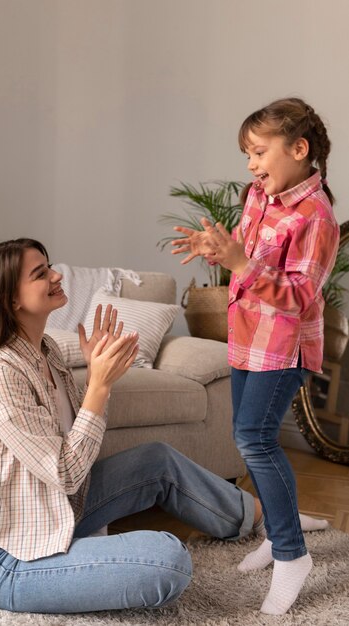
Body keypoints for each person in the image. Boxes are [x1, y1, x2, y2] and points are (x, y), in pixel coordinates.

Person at [0, 237, 270, 615]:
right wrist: (99, 385)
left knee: (157, 460)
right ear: (12, 299)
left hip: (53, 510)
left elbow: (79, 445)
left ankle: (261, 517)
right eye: (41, 273)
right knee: (168, 561)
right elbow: (66, 472)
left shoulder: (46, 351)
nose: (57, 274)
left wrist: (96, 380)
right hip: (2, 558)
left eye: (50, 265)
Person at [171, 97, 338, 615]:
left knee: (253, 436)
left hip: (284, 347)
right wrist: (216, 247)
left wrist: (240, 262)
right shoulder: (256, 194)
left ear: (299, 149)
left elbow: (299, 298)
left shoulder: (318, 217)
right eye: (247, 154)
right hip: (246, 337)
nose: (250, 165)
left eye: (259, 152)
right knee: (246, 439)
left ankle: (292, 554)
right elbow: (244, 246)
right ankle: (278, 529)